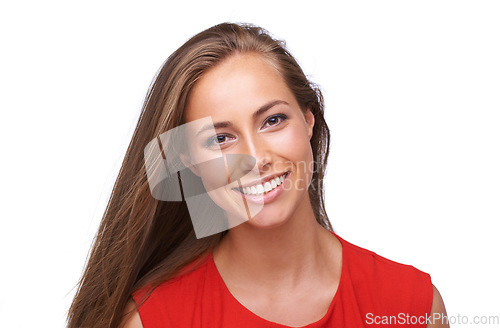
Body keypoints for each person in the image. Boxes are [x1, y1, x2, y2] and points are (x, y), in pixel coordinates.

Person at [67, 22, 449, 328]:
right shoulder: (150, 320)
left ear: (309, 121)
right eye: (220, 138)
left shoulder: (412, 306)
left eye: (273, 120)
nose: (254, 158)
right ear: (189, 162)